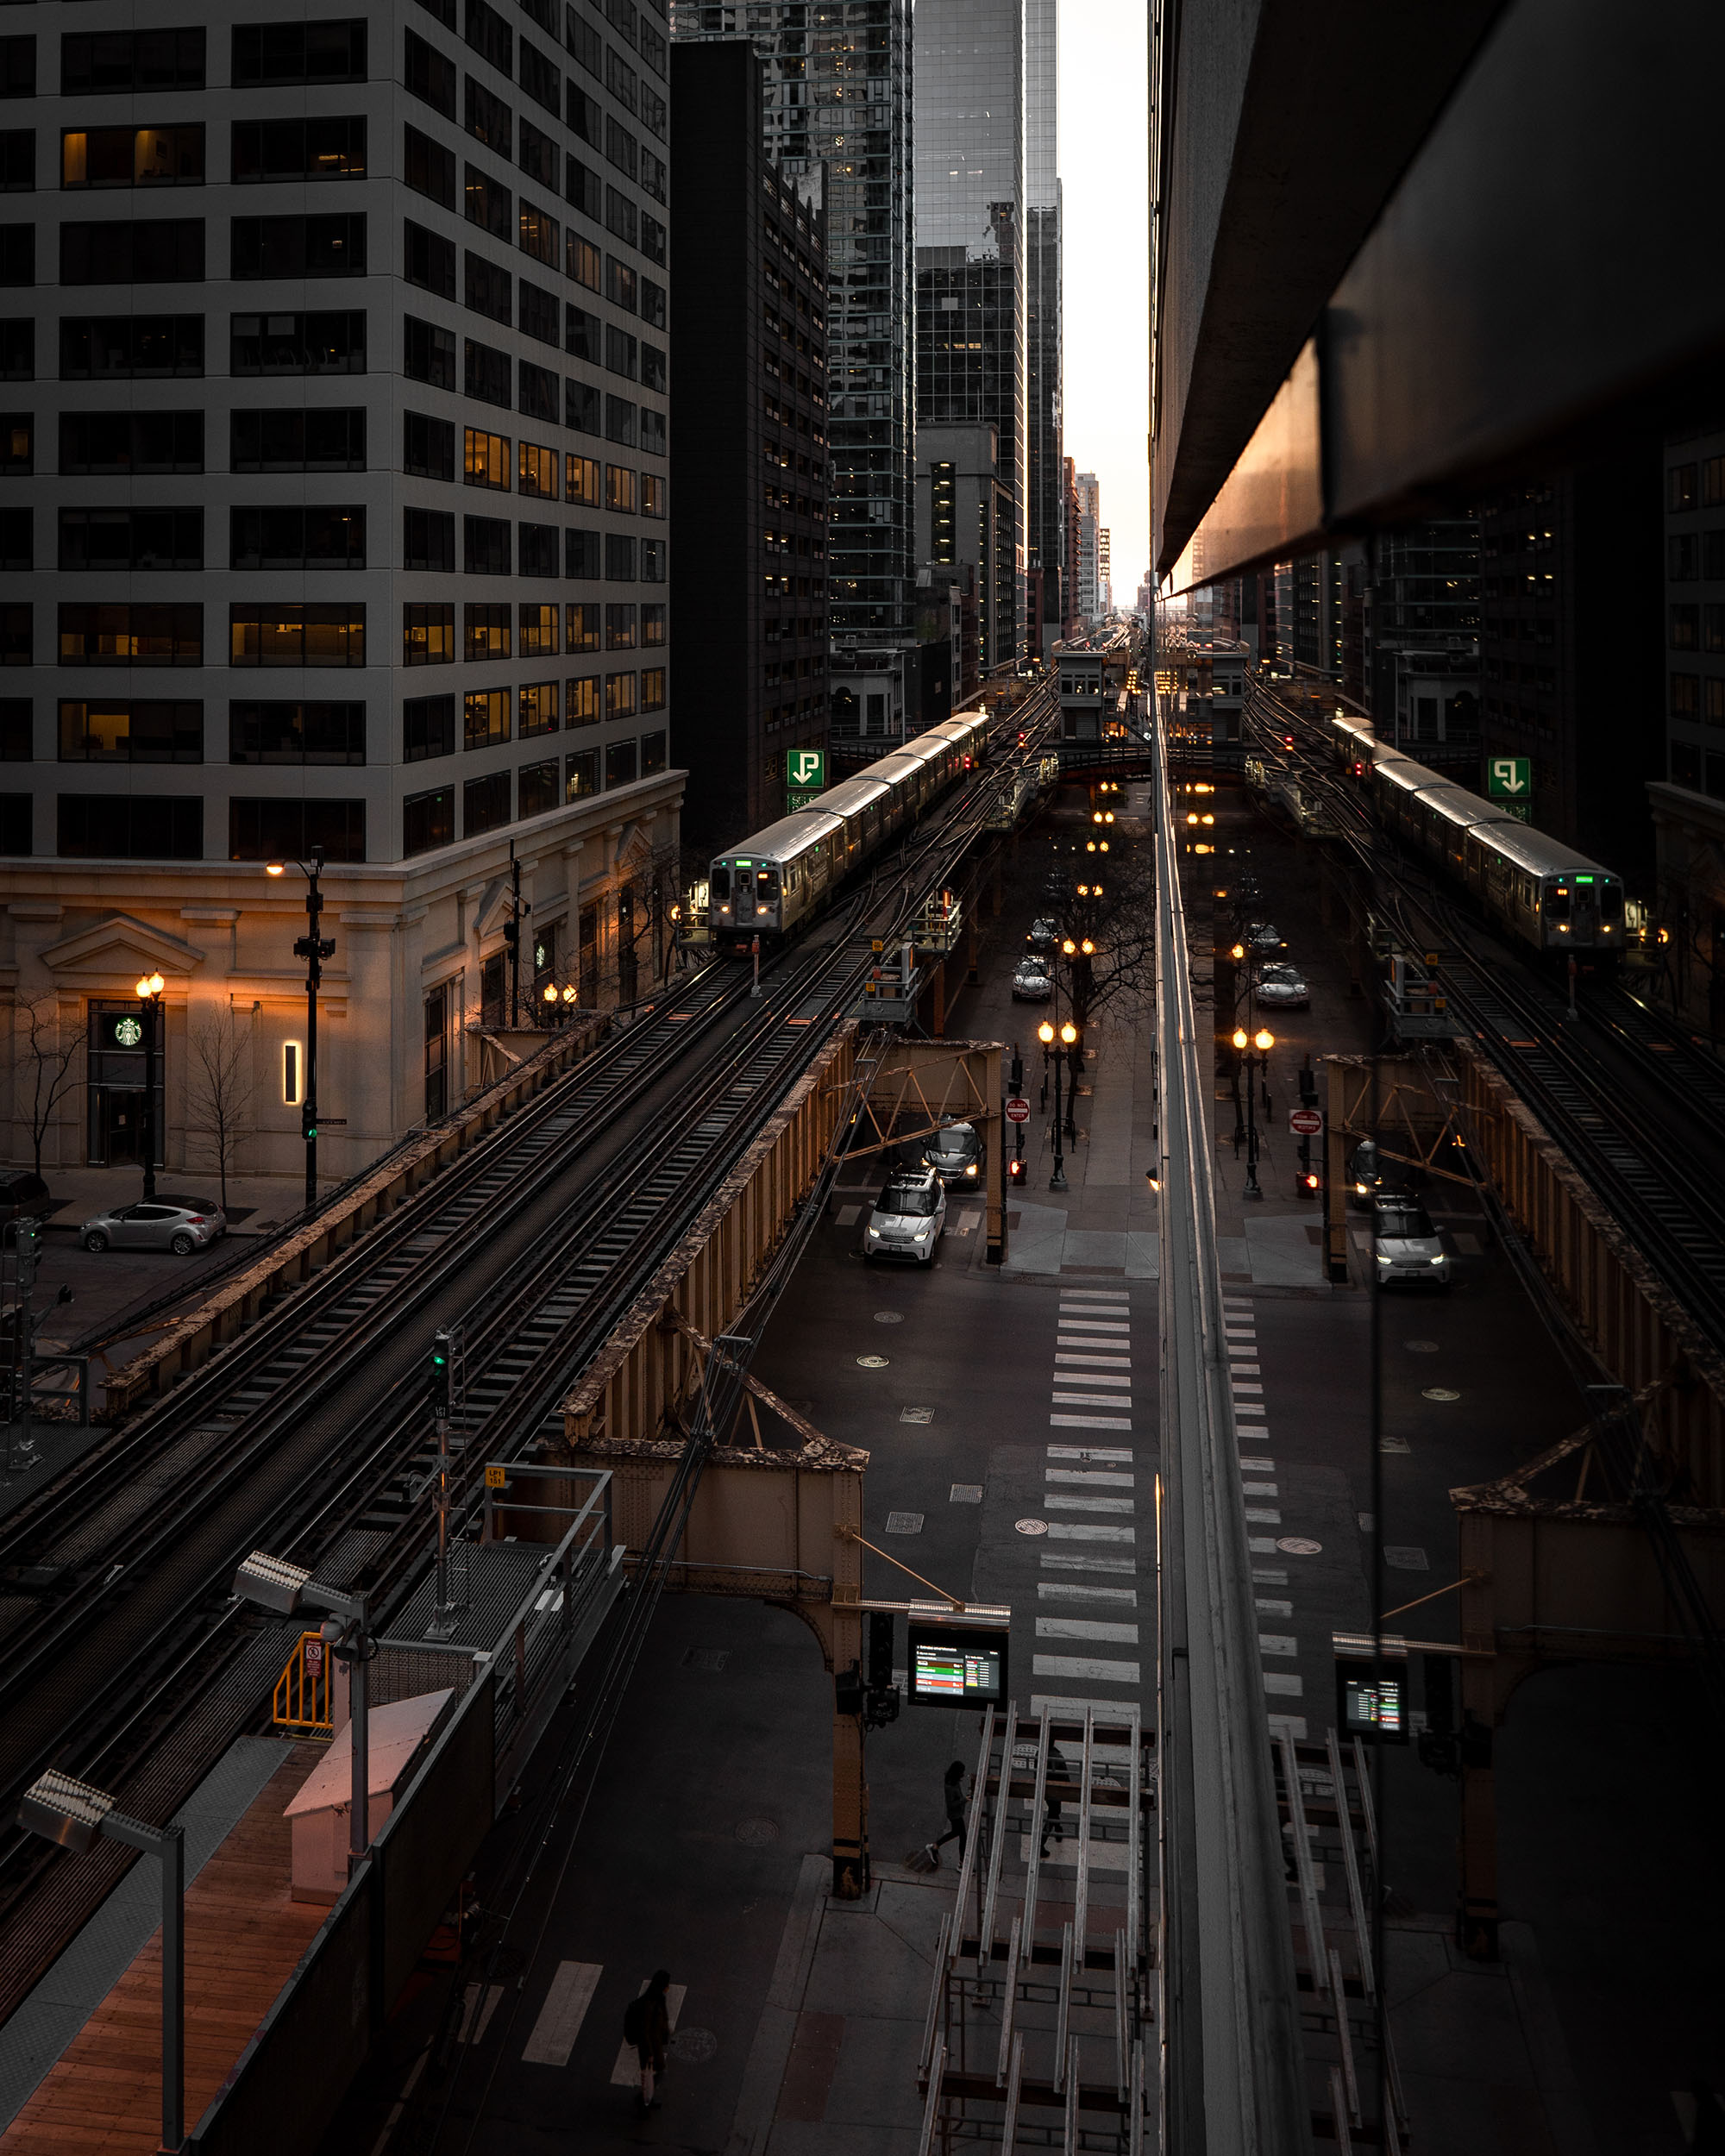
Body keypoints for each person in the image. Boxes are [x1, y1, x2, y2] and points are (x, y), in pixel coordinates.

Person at [626, 1969, 671, 2115]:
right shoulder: (650, 2004)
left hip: (655, 2044)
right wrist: (650, 2053)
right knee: (658, 2073)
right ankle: (643, 2101)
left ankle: (647, 2101)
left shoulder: (658, 1998)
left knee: (654, 2075)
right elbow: (645, 2031)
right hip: (650, 2047)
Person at [925, 1760, 968, 1867]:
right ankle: (962, 1863)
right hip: (955, 1815)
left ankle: (935, 1846)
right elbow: (951, 1804)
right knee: (963, 1836)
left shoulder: (954, 1781)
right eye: (961, 1772)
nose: (963, 1774)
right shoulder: (950, 1786)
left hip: (957, 1814)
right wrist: (965, 1800)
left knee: (956, 1832)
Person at [1040, 1744, 1070, 1858]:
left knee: (1054, 1811)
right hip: (1056, 1791)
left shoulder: (1040, 1753)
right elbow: (1066, 1778)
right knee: (1053, 1814)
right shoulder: (1058, 1758)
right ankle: (1041, 1844)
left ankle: (1058, 1830)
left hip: (1045, 1790)